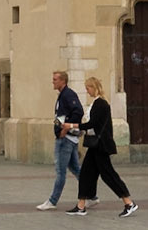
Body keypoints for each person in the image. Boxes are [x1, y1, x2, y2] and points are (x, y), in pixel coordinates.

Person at [70, 76, 136, 217]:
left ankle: (129, 202)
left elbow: (92, 123)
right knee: (86, 173)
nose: (87, 91)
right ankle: (81, 205)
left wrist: (72, 125)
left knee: (108, 175)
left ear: (94, 87)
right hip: (95, 146)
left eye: (88, 88)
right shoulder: (96, 103)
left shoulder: (101, 103)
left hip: (101, 145)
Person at [37, 70, 84, 208]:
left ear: (63, 81)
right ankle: (91, 195)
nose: (53, 81)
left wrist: (66, 128)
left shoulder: (68, 94)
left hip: (66, 140)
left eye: (55, 79)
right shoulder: (62, 95)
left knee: (60, 171)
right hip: (66, 138)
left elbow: (78, 111)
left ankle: (52, 201)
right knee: (75, 169)